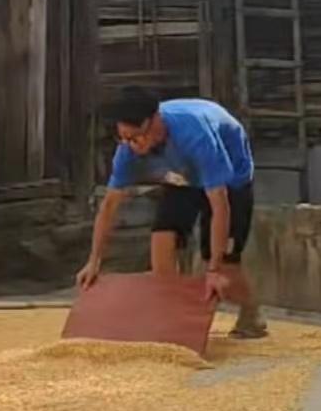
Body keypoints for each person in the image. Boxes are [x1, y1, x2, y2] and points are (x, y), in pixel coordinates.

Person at [76, 86, 268, 339]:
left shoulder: (197, 134)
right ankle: (174, 319)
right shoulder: (127, 149)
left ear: (155, 121)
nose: (133, 146)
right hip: (182, 175)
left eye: (137, 138)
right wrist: (94, 261)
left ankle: (251, 314)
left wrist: (212, 270)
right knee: (161, 245)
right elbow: (110, 204)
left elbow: (219, 204)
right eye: (125, 139)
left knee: (225, 265)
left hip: (229, 178)